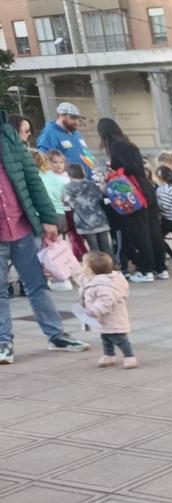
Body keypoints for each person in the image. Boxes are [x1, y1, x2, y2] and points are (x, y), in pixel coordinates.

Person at [0, 110, 88, 365]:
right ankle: (4, 342)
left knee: (37, 284)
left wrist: (48, 218)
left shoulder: (8, 136)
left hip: (22, 226)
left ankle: (56, 335)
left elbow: (32, 179)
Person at [95, 117, 167, 284]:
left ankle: (146, 270)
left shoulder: (117, 146)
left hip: (133, 193)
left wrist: (112, 172)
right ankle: (160, 267)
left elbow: (128, 167)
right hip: (145, 189)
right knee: (153, 230)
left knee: (139, 233)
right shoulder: (128, 144)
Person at [79, 251, 134, 369]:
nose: (81, 267)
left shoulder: (104, 285)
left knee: (119, 338)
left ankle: (129, 356)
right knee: (105, 337)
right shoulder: (94, 280)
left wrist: (95, 310)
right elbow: (80, 279)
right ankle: (109, 355)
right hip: (104, 319)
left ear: (90, 270)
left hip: (112, 318)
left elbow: (105, 301)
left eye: (83, 265)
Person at [62, 164, 112, 255]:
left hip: (83, 221)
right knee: (106, 246)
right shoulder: (91, 183)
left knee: (93, 248)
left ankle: (97, 268)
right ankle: (111, 266)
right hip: (99, 217)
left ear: (69, 174)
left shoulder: (67, 187)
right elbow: (100, 197)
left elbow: (70, 203)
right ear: (83, 172)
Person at [35, 102, 96, 175]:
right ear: (60, 116)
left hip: (86, 180)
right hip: (66, 182)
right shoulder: (49, 133)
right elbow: (43, 160)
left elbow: (85, 154)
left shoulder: (77, 133)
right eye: (73, 118)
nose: (77, 122)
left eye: (78, 119)